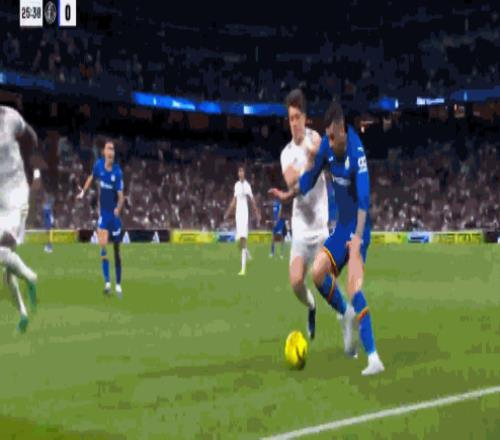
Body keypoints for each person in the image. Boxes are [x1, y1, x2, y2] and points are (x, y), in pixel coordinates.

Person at [270, 99, 384, 375]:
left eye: (333, 137)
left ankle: (373, 358)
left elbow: (364, 202)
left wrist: (357, 241)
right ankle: (345, 315)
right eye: (327, 137)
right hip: (341, 227)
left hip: (359, 228)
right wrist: (287, 196)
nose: (329, 143)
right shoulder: (328, 149)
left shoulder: (357, 153)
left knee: (354, 287)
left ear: (343, 130)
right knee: (318, 273)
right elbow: (308, 179)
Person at [276, 89, 355, 342]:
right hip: (300, 231)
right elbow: (292, 181)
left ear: (305, 117)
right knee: (296, 283)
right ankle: (311, 307)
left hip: (321, 229)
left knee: (326, 280)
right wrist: (311, 162)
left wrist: (316, 159)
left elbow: (329, 162)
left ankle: (344, 316)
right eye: (290, 118)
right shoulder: (286, 152)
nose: (294, 123)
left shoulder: (317, 139)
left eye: (297, 117)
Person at [0, 105, 38, 332]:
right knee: (7, 272)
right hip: (1, 200)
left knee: (2, 250)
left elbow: (31, 135)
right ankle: (23, 314)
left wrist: (31, 166)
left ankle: (31, 277)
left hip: (16, 195)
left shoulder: (9, 117)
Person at [77, 141, 125, 298]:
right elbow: (91, 177)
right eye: (108, 149)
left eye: (113, 149)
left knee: (116, 251)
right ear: (104, 152)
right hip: (104, 216)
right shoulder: (99, 166)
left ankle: (118, 285)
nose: (111, 152)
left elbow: (121, 196)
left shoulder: (117, 172)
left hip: (114, 217)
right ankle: (108, 284)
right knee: (103, 248)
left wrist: (118, 208)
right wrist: (83, 192)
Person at [224, 166, 260, 276]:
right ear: (238, 173)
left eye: (242, 171)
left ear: (244, 173)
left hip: (244, 213)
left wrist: (257, 213)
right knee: (238, 241)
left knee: (243, 239)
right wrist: (228, 212)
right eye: (239, 171)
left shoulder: (247, 185)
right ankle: (247, 253)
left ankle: (243, 269)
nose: (241, 173)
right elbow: (234, 200)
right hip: (238, 214)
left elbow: (252, 200)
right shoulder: (236, 185)